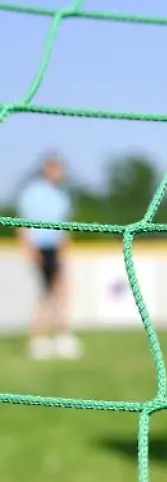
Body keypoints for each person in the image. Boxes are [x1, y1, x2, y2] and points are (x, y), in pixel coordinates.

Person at [16, 153, 80, 361]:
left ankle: (61, 337)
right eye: (55, 169)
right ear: (47, 169)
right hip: (39, 247)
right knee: (45, 295)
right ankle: (37, 339)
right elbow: (22, 223)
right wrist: (29, 250)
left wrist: (64, 248)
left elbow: (64, 227)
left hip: (56, 248)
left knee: (62, 291)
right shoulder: (32, 193)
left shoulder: (61, 195)